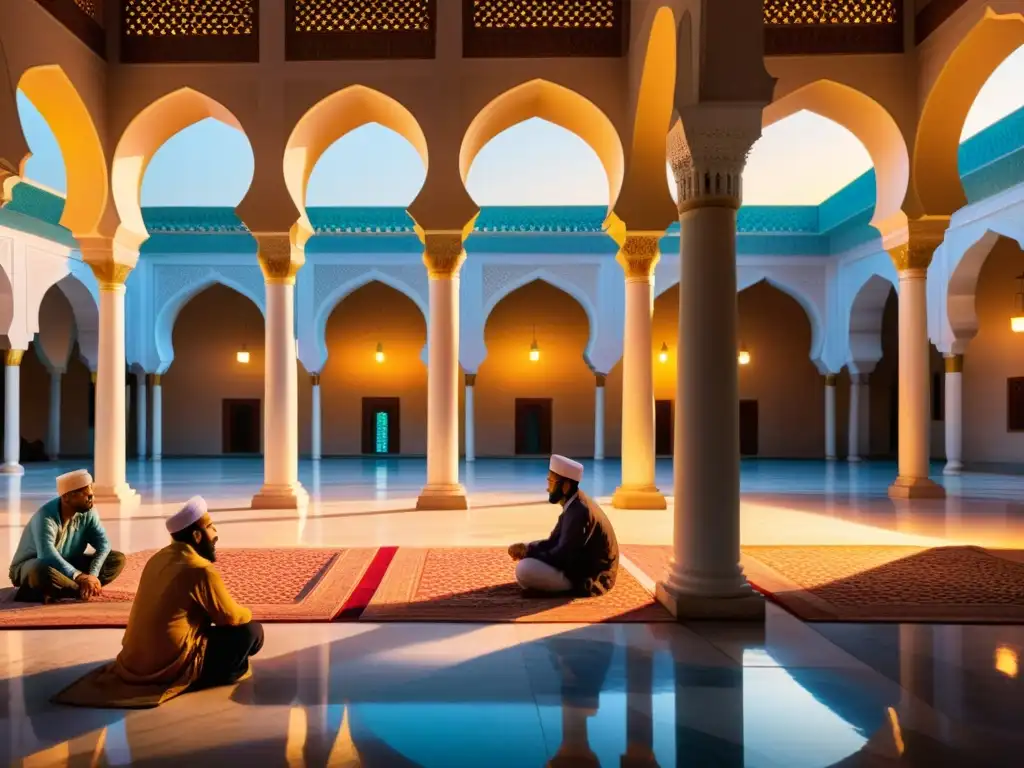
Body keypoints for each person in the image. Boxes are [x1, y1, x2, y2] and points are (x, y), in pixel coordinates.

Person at [53, 496, 264, 708]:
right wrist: (248, 612)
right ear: (198, 536)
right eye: (211, 527)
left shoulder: (158, 558)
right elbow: (230, 617)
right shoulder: (200, 570)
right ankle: (201, 675)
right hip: (169, 666)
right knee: (251, 633)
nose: (216, 534)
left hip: (133, 663)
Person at [508, 455, 619, 597]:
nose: (548, 489)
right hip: (580, 567)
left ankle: (563, 591)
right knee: (528, 562)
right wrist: (527, 548)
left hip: (592, 578)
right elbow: (554, 542)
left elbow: (563, 556)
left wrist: (530, 553)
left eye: (551, 482)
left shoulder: (579, 512)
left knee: (524, 569)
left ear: (565, 486)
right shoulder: (574, 504)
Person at [9, 469, 125, 603]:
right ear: (66, 497)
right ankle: (77, 590)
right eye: (85, 494)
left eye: (91, 493)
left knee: (116, 559)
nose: (91, 496)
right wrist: (79, 576)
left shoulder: (89, 512)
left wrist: (92, 575)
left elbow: (104, 544)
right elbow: (47, 555)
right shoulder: (45, 517)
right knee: (42, 569)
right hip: (33, 566)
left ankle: (70, 589)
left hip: (68, 563)